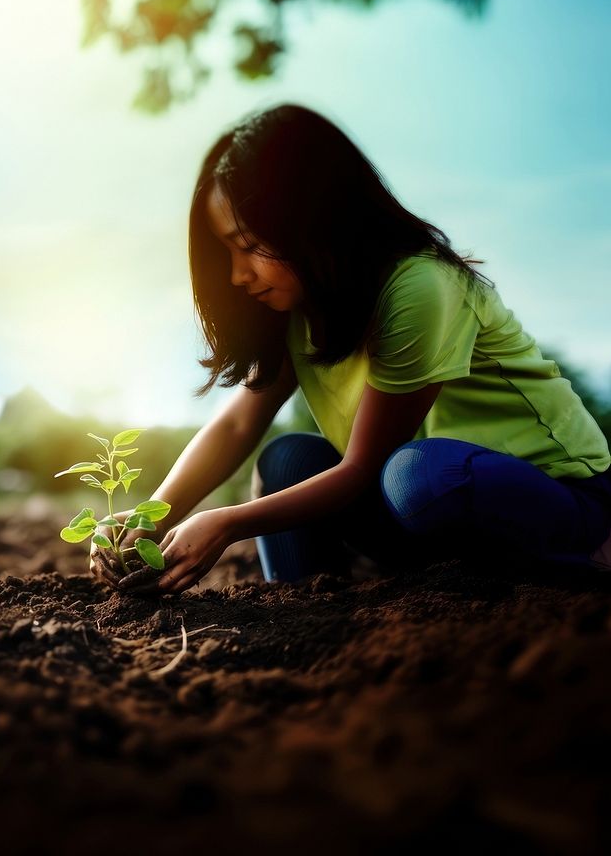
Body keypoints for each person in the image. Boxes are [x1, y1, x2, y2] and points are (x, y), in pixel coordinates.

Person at [91, 103, 611, 595]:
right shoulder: (298, 307)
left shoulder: (419, 286)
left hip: (558, 502)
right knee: (287, 459)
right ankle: (306, 608)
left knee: (420, 474)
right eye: (226, 250)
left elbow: (365, 467)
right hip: (423, 516)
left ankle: (590, 558)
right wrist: (150, 517)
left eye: (249, 245)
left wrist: (228, 523)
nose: (236, 275)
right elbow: (236, 424)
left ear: (315, 220)